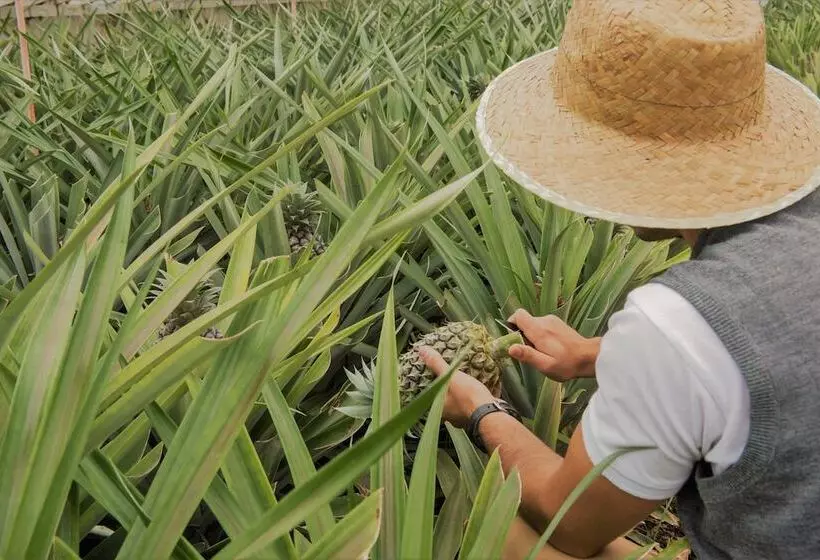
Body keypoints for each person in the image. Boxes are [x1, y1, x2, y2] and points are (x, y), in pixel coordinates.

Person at [418, 1, 820, 559]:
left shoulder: (678, 323)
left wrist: (485, 412)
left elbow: (571, 523)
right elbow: (790, 335)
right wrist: (593, 355)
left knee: (494, 528)